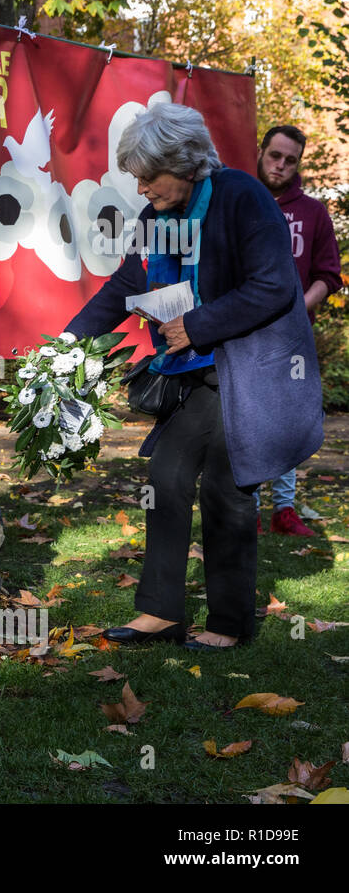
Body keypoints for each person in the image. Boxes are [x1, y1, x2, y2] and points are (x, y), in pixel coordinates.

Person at [65, 103, 323, 650]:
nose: (139, 190)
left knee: (227, 490)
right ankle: (160, 612)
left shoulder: (241, 197)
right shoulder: (157, 217)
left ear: (183, 165)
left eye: (146, 177)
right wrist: (66, 347)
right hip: (196, 369)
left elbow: (275, 286)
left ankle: (228, 624)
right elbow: (123, 287)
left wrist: (198, 323)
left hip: (251, 367)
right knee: (167, 477)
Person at [252, 125, 344, 536]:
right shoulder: (240, 202)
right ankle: (247, 508)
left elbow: (329, 275)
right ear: (262, 151)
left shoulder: (313, 212)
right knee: (247, 420)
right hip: (244, 335)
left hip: (292, 337)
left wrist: (298, 308)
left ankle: (283, 510)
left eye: (290, 160)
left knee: (288, 422)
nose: (281, 166)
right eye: (275, 155)